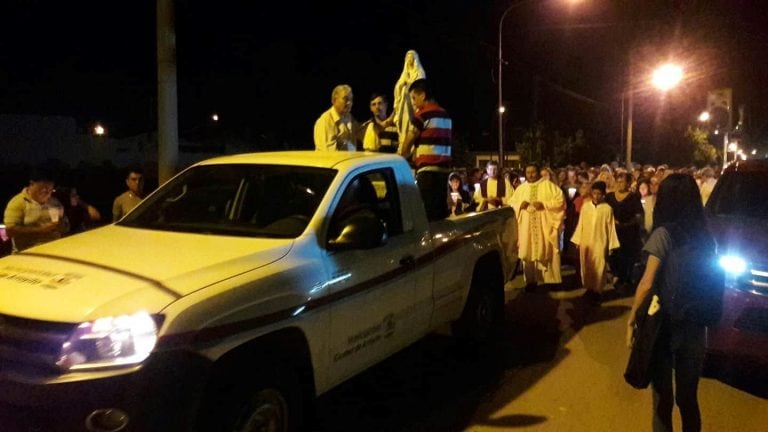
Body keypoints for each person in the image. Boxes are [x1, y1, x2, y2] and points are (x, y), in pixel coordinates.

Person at [627, 173, 714, 432]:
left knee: (662, 401)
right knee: (688, 400)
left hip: (663, 327)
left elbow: (646, 283)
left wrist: (632, 319)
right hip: (696, 326)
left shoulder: (664, 234)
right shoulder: (706, 237)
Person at [510, 162, 565, 290]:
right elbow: (511, 203)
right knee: (527, 253)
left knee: (548, 251)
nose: (530, 174)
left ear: (538, 172)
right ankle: (531, 282)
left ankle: (552, 281)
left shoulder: (549, 186)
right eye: (528, 172)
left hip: (544, 226)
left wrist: (544, 204)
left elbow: (560, 201)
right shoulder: (521, 189)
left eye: (533, 171)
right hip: (526, 228)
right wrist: (519, 205)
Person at [570, 181, 620, 304]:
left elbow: (611, 227)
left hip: (600, 241)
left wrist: (611, 245)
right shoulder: (586, 207)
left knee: (599, 266)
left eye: (599, 194)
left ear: (603, 194)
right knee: (587, 266)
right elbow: (581, 223)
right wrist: (578, 240)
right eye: (594, 193)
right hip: (586, 241)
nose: (596, 196)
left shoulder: (607, 209)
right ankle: (589, 289)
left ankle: (597, 291)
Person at [3, 168, 69, 252]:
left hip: (55, 250)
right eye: (44, 190)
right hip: (29, 253)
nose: (48, 194)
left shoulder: (54, 202)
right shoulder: (18, 202)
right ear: (32, 184)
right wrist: (40, 230)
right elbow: (10, 231)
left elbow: (66, 227)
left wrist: (61, 225)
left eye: (50, 190)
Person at [399, 78, 452, 168]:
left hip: (427, 169)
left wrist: (402, 156)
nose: (413, 102)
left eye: (414, 98)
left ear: (423, 95)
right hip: (445, 170)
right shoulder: (446, 115)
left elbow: (409, 140)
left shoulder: (422, 115)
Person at [606, 172, 644, 292]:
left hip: (628, 233)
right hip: (613, 232)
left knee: (625, 257)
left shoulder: (633, 197)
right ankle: (615, 276)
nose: (620, 184)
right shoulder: (610, 197)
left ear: (628, 183)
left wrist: (626, 223)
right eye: (618, 181)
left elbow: (638, 216)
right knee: (613, 256)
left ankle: (623, 281)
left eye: (623, 181)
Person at [393, 50, 426, 144]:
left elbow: (421, 86)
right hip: (404, 106)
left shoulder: (419, 72)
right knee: (404, 124)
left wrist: (409, 85)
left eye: (411, 57)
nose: (409, 59)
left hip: (414, 104)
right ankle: (404, 141)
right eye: (407, 57)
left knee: (413, 124)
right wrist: (401, 85)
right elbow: (398, 86)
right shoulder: (405, 73)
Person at [314, 84, 360, 152]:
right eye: (346, 99)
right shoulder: (325, 121)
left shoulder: (349, 117)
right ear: (334, 100)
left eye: (351, 99)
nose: (349, 103)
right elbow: (330, 154)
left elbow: (361, 133)